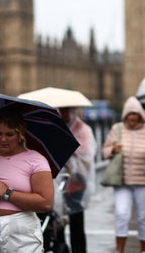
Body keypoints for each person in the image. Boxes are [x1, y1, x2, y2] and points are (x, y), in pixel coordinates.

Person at [0, 108, 54, 253]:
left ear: (20, 134)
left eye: (9, 134)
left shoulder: (36, 160)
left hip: (21, 232)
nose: (3, 139)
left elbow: (45, 203)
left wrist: (8, 193)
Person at [102, 96, 145, 253]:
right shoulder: (117, 129)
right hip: (122, 181)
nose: (132, 117)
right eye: (129, 114)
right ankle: (120, 250)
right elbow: (104, 151)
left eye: (135, 114)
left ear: (141, 115)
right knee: (121, 214)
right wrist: (112, 150)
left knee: (143, 217)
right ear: (125, 115)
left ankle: (143, 250)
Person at [59, 106, 97, 253]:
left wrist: (68, 146)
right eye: (61, 110)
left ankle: (78, 250)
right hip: (58, 181)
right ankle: (60, 247)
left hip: (76, 182)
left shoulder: (83, 129)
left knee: (76, 220)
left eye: (66, 110)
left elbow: (87, 152)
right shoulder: (56, 127)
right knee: (57, 221)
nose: (63, 114)